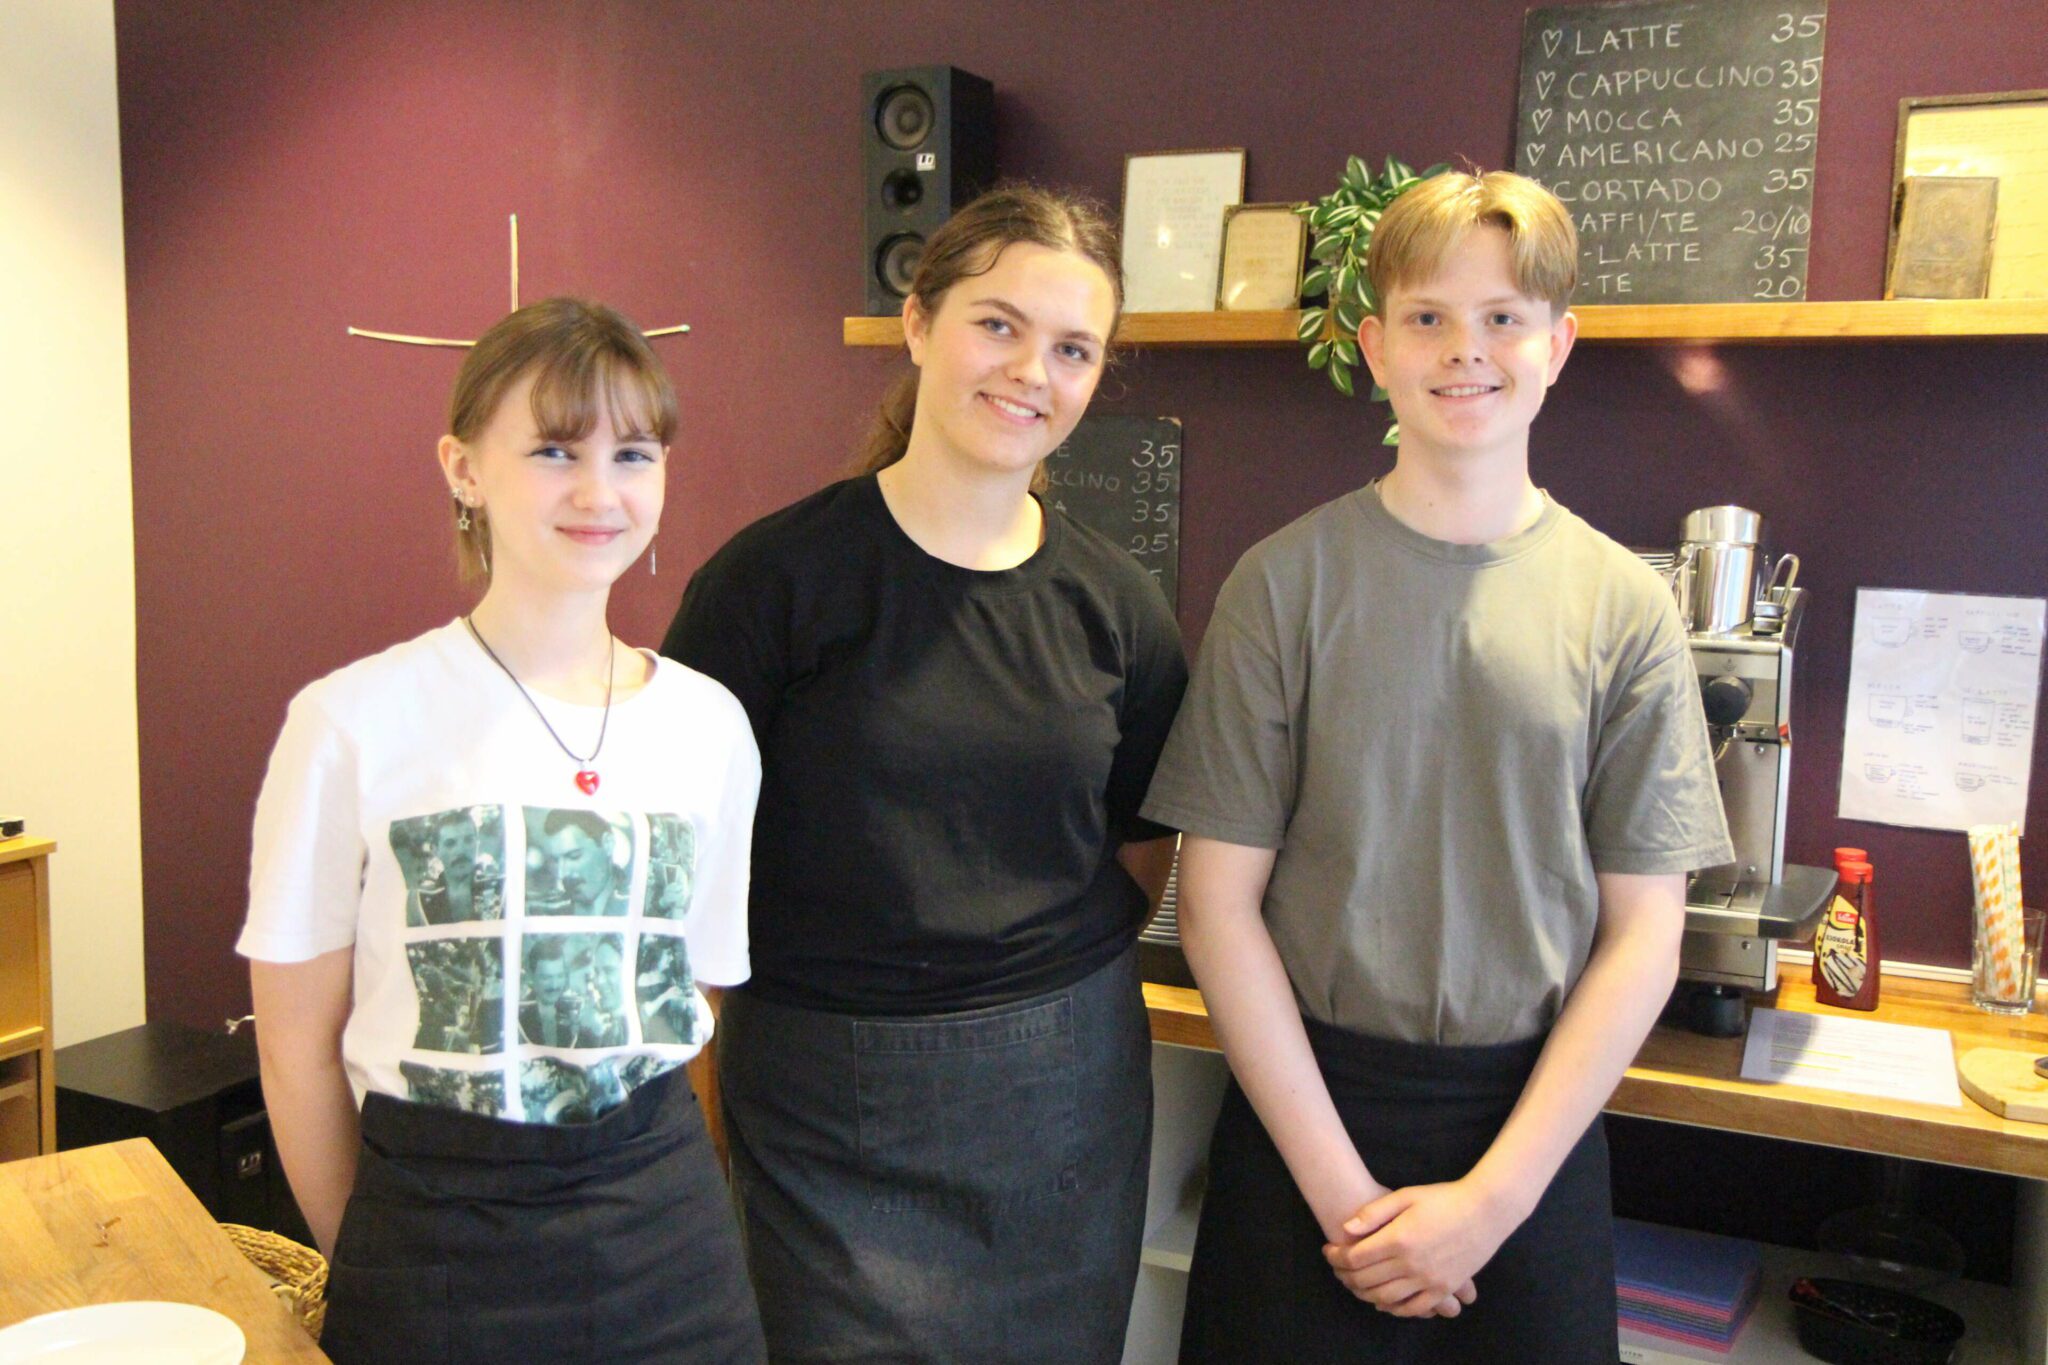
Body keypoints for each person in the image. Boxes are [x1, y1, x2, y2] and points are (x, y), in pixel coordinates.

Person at [1140, 171, 1733, 1363]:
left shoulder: (1623, 607)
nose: (1464, 349)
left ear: (1557, 344)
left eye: (1502, 317)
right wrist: (1349, 1206)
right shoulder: (1281, 584)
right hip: (1307, 1121)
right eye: (1426, 316)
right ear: (1373, 347)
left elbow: (1644, 936)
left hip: (1530, 1140)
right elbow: (1213, 907)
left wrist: (1489, 1206)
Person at [664, 184, 1188, 1364]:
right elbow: (677, 871)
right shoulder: (769, 585)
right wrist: (691, 1108)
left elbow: (1142, 853)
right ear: (916, 322)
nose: (1031, 372)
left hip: (1065, 1097)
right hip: (821, 1102)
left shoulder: (1119, 607)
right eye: (996, 325)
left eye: (1072, 349)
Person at [238, 297, 766, 1363]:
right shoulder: (349, 722)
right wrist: (369, 1256)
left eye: (632, 453)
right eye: (554, 450)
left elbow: (696, 996)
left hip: (667, 1242)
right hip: (435, 1236)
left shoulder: (709, 725)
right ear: (464, 468)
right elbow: (293, 1048)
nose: (599, 491)